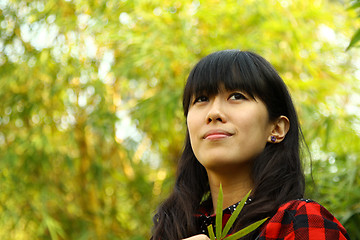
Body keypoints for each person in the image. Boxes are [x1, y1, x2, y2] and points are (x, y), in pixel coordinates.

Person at [150, 50, 350, 240]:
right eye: (201, 99)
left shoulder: (299, 222)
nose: (213, 113)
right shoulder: (170, 229)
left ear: (277, 128)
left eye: (237, 96)